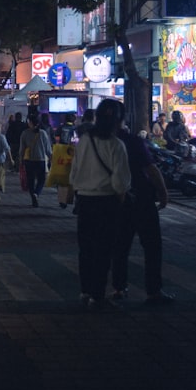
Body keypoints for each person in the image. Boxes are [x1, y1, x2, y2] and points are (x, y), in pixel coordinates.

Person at [69, 98, 130, 311]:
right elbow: (120, 181)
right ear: (118, 120)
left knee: (86, 249)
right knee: (104, 250)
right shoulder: (117, 145)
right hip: (106, 201)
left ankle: (85, 291)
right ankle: (97, 294)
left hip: (84, 201)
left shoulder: (85, 141)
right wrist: (120, 195)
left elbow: (74, 171)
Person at [111, 124, 174, 305]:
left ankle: (119, 288)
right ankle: (153, 291)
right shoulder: (133, 141)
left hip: (117, 199)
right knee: (152, 246)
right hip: (141, 198)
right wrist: (162, 192)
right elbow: (151, 168)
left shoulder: (101, 142)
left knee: (120, 246)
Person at [19, 112, 52, 207]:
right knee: (41, 179)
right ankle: (36, 193)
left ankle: (33, 195)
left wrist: (21, 160)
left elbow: (22, 149)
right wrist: (51, 158)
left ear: (30, 123)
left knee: (30, 180)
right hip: (40, 160)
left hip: (28, 160)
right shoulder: (43, 133)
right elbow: (48, 148)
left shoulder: (25, 133)